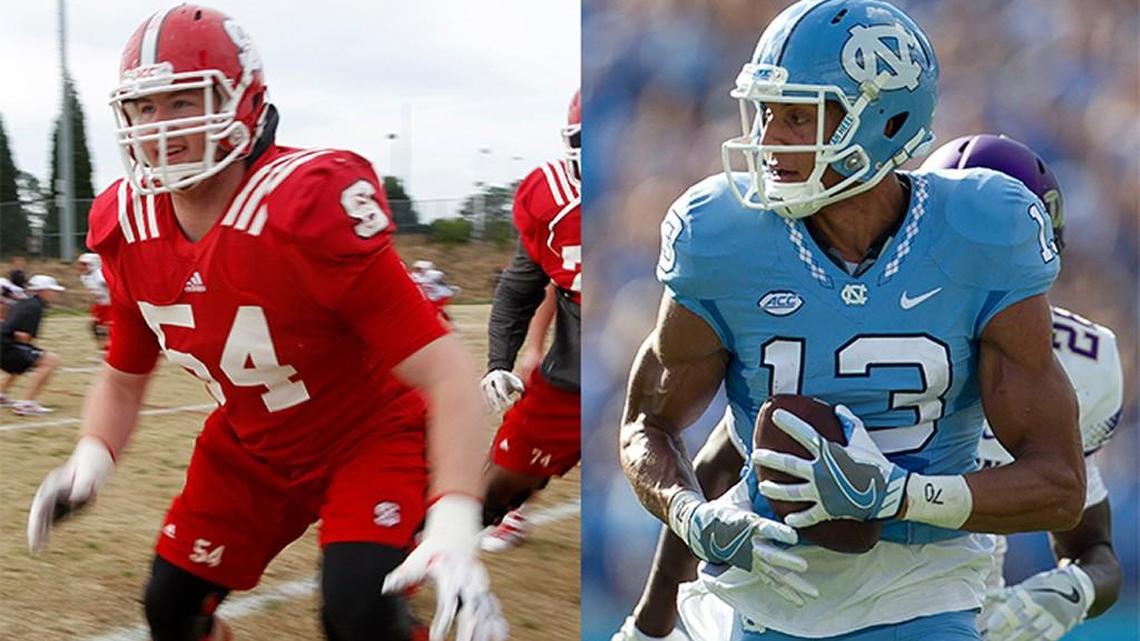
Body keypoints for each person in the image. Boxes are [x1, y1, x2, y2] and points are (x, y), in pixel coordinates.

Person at [24, 6, 507, 641]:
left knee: (360, 611)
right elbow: (121, 376)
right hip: (252, 445)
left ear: (243, 103)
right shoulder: (129, 228)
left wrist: (453, 523)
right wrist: (91, 457)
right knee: (170, 609)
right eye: (145, 107)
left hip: (368, 437)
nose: (161, 126)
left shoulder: (304, 205)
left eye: (183, 101)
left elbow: (445, 373)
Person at [616, 1, 1083, 640]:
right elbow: (649, 423)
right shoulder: (721, 237)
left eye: (798, 116)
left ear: (885, 121)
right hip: (768, 582)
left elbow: (1059, 483)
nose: (769, 140)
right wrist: (693, 515)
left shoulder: (983, 231)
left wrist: (901, 495)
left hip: (923, 585)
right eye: (766, 112)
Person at [920, 134, 1123, 641]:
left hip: (962, 619)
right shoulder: (852, 328)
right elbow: (719, 468)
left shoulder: (1083, 360)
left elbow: (1091, 547)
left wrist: (1070, 591)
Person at [480, 90, 581, 544]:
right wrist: (501, 360)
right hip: (572, 380)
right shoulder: (553, 201)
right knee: (495, 482)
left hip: (655, 371)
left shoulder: (661, 188)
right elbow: (523, 288)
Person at [0, 275, 65, 415]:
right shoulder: (36, 306)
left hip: (4, 343)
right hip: (5, 345)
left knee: (21, 361)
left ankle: (1, 395)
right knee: (51, 360)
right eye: (51, 290)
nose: (54, 294)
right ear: (42, 291)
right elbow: (24, 336)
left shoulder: (23, 302)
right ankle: (27, 403)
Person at [77, 253, 113, 354]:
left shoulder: (101, 276)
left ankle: (109, 349)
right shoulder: (84, 277)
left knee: (108, 328)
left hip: (110, 305)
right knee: (94, 326)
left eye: (84, 264)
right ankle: (103, 348)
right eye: (80, 264)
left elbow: (113, 286)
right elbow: (94, 293)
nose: (81, 267)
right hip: (100, 304)